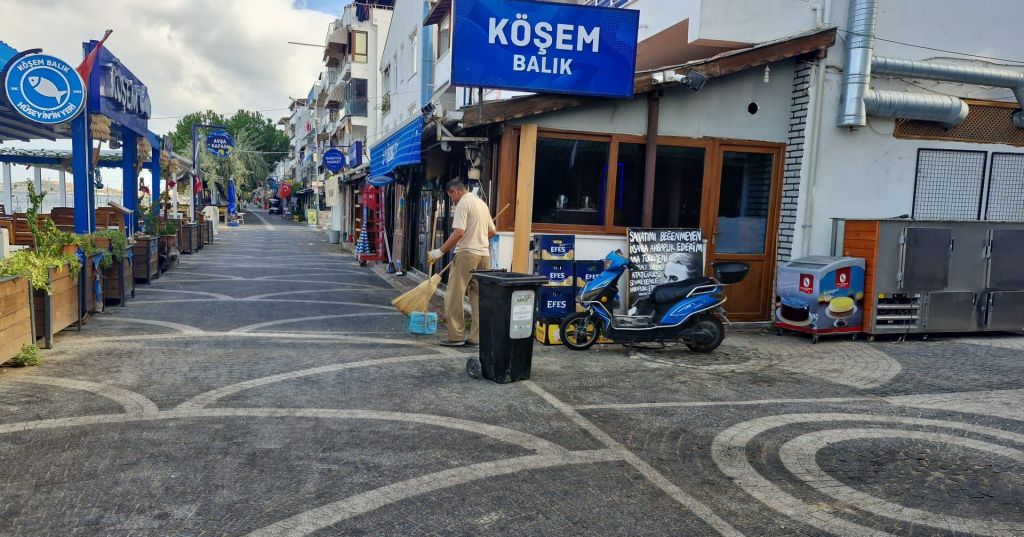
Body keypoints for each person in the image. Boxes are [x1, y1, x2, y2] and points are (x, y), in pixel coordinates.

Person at [428, 179, 495, 347]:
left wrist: (440, 251)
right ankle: (476, 338)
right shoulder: (481, 204)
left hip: (466, 254)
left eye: (451, 196)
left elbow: (459, 232)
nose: (452, 200)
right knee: (478, 297)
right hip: (484, 255)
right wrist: (478, 241)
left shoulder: (463, 203)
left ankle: (456, 336)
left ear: (455, 191)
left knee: (453, 296)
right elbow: (493, 231)